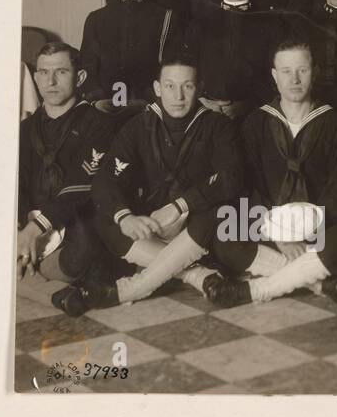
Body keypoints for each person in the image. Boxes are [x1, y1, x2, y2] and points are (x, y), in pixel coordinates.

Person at [54, 58, 245, 314]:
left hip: (196, 225)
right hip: (152, 223)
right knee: (103, 215)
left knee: (220, 211)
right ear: (157, 88)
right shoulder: (137, 126)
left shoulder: (218, 125)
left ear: (199, 89)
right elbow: (105, 179)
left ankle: (127, 290)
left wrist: (180, 205)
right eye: (169, 86)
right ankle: (197, 276)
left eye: (187, 86)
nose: (178, 95)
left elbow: (232, 177)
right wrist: (126, 217)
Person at [203, 40, 337, 306]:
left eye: (302, 70)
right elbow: (246, 186)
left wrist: (306, 231)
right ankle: (319, 283)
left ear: (314, 72)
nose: (294, 79)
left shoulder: (335, 123)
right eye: (286, 71)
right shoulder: (255, 123)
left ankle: (258, 289)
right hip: (270, 228)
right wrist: (280, 236)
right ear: (274, 76)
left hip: (319, 228)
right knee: (224, 235)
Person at [16, 43, 126, 291]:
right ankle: (40, 272)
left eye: (61, 72)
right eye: (44, 72)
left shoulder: (100, 124)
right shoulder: (24, 129)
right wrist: (20, 228)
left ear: (80, 77)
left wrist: (37, 228)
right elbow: (16, 185)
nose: (51, 81)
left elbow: (82, 186)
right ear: (35, 77)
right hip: (33, 223)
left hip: (75, 220)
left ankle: (37, 274)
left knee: (86, 244)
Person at [182, 0, 284, 120]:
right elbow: (186, 70)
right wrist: (204, 103)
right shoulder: (199, 25)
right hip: (206, 114)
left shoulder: (272, 25)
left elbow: (277, 77)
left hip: (255, 115)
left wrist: (248, 105)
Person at [80, 0, 177, 106]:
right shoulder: (96, 19)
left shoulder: (166, 18)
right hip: (104, 109)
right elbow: (88, 69)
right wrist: (98, 101)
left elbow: (172, 71)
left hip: (151, 108)